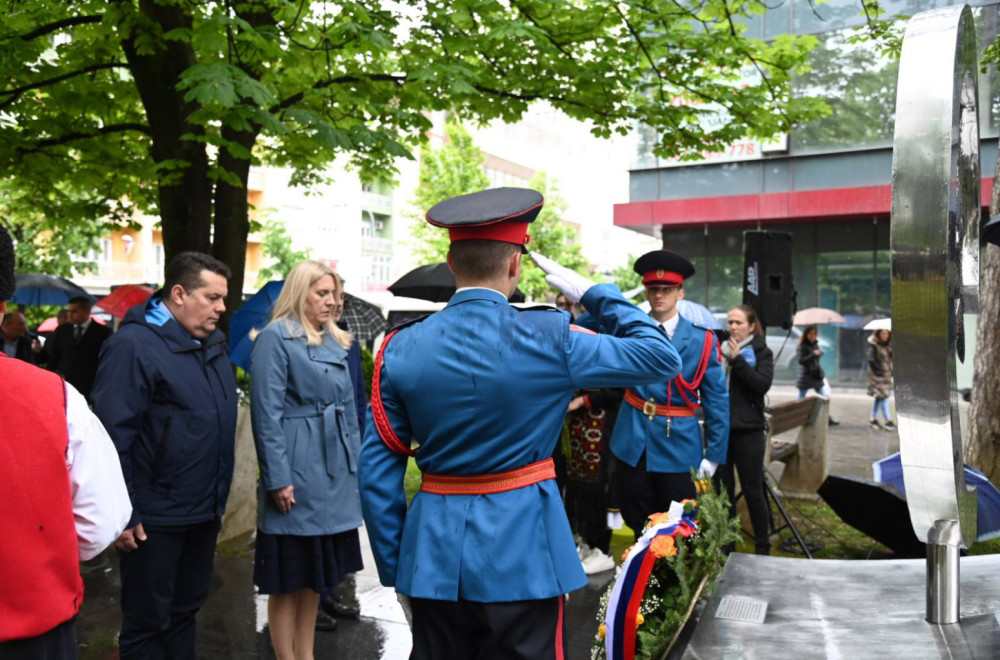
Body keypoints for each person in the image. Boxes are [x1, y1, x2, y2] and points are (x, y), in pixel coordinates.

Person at [359, 187, 681, 660]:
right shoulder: (549, 336)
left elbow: (376, 472)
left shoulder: (399, 347)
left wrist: (398, 564)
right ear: (515, 265)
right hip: (524, 547)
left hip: (431, 554)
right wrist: (596, 294)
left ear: (452, 262)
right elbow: (661, 356)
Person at [91, 251, 238, 659]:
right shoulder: (133, 347)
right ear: (178, 294)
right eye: (212, 297)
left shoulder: (211, 345)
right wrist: (124, 513)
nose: (221, 308)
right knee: (146, 625)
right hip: (153, 519)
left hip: (202, 510)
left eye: (222, 298)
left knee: (184, 614)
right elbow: (110, 438)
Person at [0, 225, 131, 658]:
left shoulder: (86, 355)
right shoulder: (55, 397)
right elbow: (99, 521)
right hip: (31, 630)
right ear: (3, 307)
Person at [250, 261, 365, 656]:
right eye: (322, 293)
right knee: (288, 579)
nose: (331, 301)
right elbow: (266, 415)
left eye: (333, 293)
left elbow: (350, 412)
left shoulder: (335, 339)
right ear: (300, 293)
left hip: (333, 474)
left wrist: (356, 467)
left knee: (316, 577)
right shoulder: (275, 338)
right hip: (297, 474)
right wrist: (278, 479)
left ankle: (307, 655)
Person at [588, 249, 728, 538]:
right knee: (635, 514)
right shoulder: (628, 329)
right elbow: (591, 324)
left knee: (680, 523)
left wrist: (714, 455)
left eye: (667, 289)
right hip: (633, 440)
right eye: (653, 289)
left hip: (678, 444)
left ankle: (670, 580)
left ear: (680, 293)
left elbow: (717, 401)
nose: (659, 295)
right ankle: (643, 578)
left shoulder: (703, 339)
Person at [716, 304, 774, 555]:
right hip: (722, 429)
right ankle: (727, 544)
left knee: (753, 490)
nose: (732, 327)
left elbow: (761, 385)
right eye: (730, 322)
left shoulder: (761, 351)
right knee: (724, 492)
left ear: (751, 326)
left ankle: (762, 545)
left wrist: (738, 360)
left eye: (738, 322)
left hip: (748, 430)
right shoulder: (720, 350)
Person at [564, 387, 624, 574]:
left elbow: (619, 388)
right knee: (575, 484)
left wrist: (584, 400)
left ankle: (601, 549)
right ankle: (585, 542)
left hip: (603, 421)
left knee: (602, 485)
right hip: (578, 419)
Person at [44, 295, 112, 401]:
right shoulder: (62, 330)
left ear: (87, 311)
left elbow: (105, 360)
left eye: (74, 311)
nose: (70, 315)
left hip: (90, 384)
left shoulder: (102, 332)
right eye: (69, 311)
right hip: (66, 383)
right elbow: (54, 357)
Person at [795, 325, 840, 425]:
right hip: (805, 376)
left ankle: (826, 418)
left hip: (815, 376)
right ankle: (797, 416)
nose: (812, 336)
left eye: (814, 334)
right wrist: (813, 355)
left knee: (824, 397)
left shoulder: (815, 345)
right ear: (806, 335)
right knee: (801, 398)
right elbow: (801, 360)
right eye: (810, 334)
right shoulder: (802, 346)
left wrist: (818, 354)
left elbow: (814, 359)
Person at [867, 329, 894, 430]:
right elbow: (871, 359)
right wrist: (879, 371)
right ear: (878, 334)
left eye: (887, 333)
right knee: (884, 396)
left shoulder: (888, 345)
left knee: (879, 397)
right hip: (878, 376)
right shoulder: (873, 345)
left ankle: (872, 418)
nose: (885, 336)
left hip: (886, 375)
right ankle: (888, 420)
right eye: (883, 333)